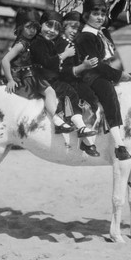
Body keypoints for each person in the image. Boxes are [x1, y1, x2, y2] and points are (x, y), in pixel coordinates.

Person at [30, 10, 99, 156]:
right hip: (46, 78)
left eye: (56, 28)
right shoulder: (43, 42)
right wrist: (66, 57)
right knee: (71, 93)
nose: (52, 31)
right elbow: (50, 63)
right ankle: (83, 135)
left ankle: (87, 134)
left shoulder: (55, 42)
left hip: (56, 77)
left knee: (85, 93)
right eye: (49, 26)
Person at [73, 0, 131, 161]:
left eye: (102, 14)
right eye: (95, 14)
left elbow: (112, 16)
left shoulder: (101, 30)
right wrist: (119, 75)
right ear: (86, 16)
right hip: (91, 74)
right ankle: (119, 145)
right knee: (108, 93)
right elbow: (96, 65)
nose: (100, 17)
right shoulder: (86, 36)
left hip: (103, 69)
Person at [1, 8, 73, 133]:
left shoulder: (33, 41)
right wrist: (10, 80)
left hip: (33, 75)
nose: (32, 31)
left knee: (50, 91)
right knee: (50, 92)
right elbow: (5, 60)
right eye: (28, 27)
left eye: (35, 27)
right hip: (26, 76)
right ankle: (56, 118)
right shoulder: (21, 44)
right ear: (21, 27)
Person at [54, 10, 101, 156]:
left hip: (75, 79)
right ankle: (87, 141)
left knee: (94, 96)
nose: (75, 31)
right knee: (80, 99)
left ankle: (89, 137)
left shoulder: (72, 43)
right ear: (64, 26)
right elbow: (60, 69)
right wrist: (83, 67)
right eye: (72, 27)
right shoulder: (61, 44)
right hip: (63, 80)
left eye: (78, 29)